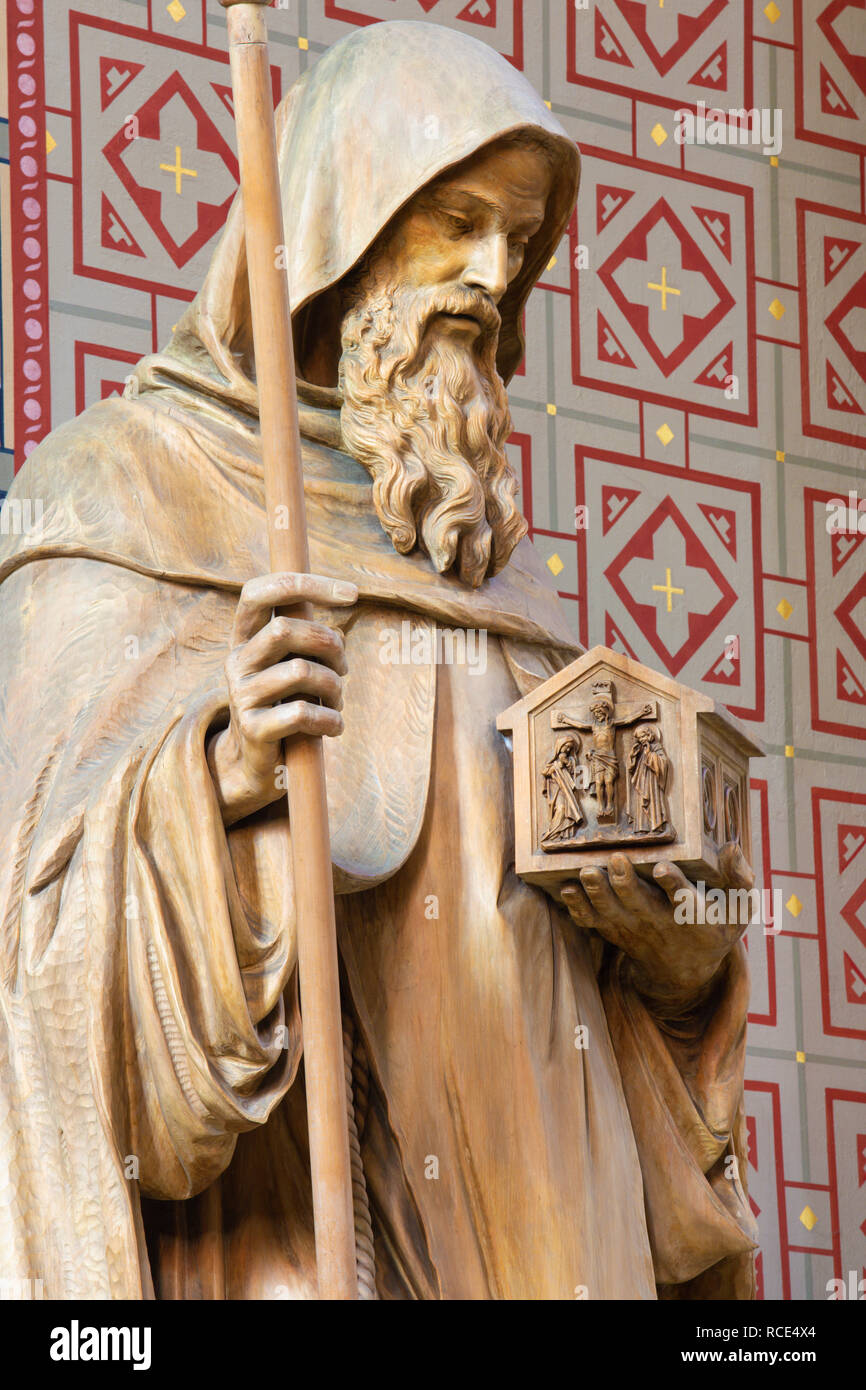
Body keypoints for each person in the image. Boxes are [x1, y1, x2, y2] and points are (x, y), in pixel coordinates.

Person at [0, 21, 756, 1299]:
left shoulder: (500, 566)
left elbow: (620, 1005)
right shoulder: (125, 484)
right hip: (296, 1228)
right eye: (454, 218)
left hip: (558, 1228)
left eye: (516, 241)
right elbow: (37, 925)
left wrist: (678, 942)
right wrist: (216, 774)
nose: (489, 271)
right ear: (335, 224)